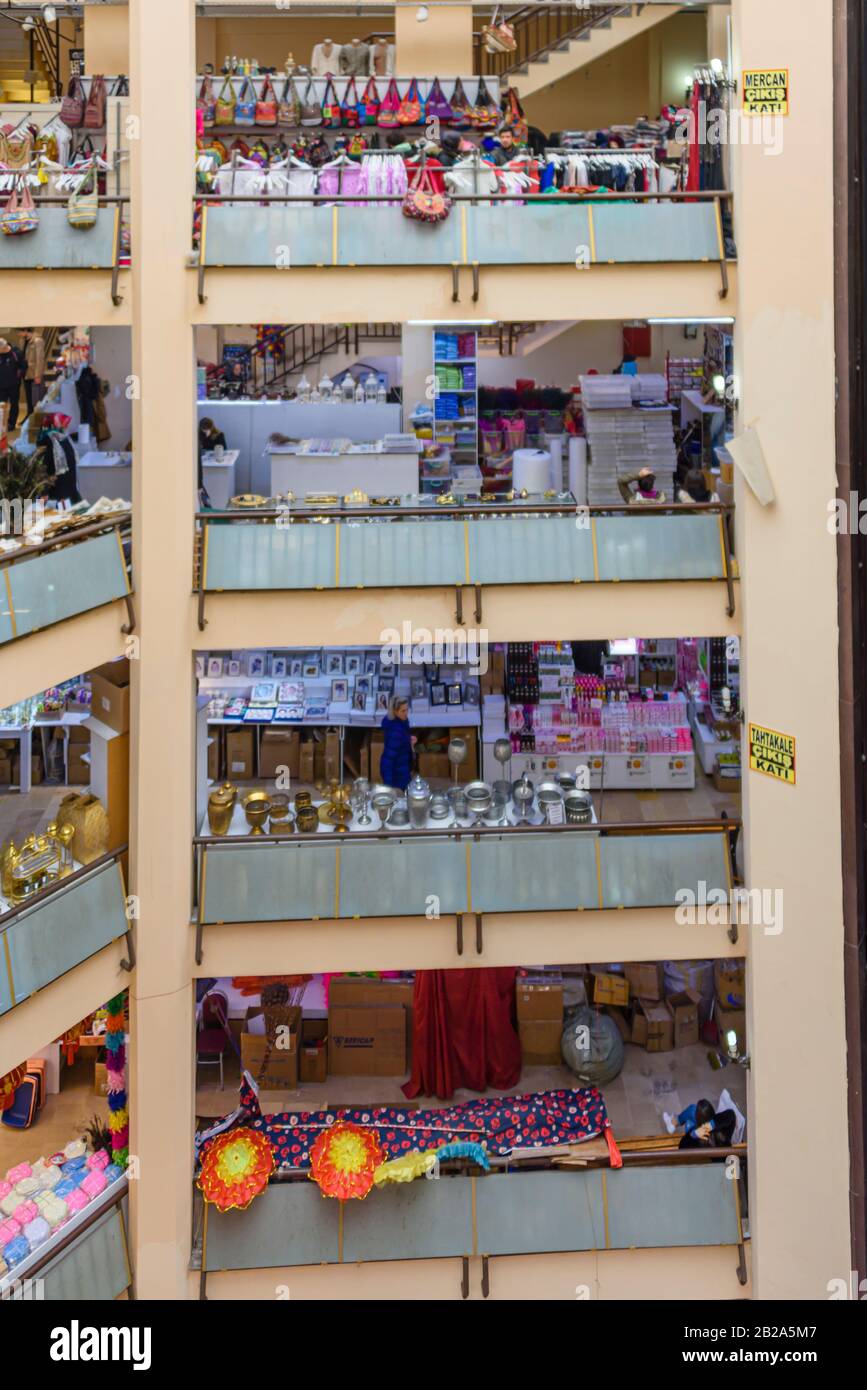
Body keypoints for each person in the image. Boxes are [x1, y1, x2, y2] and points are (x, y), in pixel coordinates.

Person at [379, 694, 416, 792]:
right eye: (403, 711)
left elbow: (400, 743)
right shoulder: (395, 731)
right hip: (397, 774)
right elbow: (388, 760)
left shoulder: (402, 722)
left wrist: (408, 740)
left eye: (407, 709)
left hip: (403, 769)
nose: (406, 713)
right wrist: (388, 786)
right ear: (395, 711)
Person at [19, 328, 45, 420]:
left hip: (34, 373)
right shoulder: (23, 341)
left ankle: (36, 418)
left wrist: (38, 375)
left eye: (20, 331)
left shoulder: (38, 341)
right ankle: (29, 415)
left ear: (26, 330)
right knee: (29, 397)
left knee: (36, 398)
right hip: (26, 373)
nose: (19, 333)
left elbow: (40, 359)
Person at [0, 338, 22, 434]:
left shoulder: (16, 353)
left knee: (14, 405)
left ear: (4, 347)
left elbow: (23, 366)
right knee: (1, 406)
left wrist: (18, 377)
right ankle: (1, 424)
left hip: (14, 385)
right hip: (1, 386)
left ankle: (11, 424)